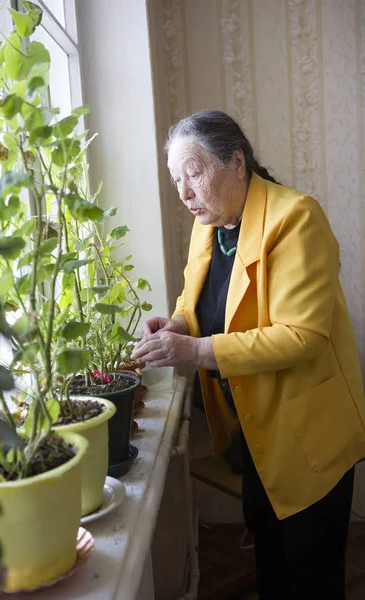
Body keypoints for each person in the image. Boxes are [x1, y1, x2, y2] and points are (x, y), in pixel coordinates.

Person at [131, 109, 365, 599]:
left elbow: (303, 335)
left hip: (306, 434)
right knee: (272, 567)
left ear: (236, 162)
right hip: (254, 431)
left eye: (192, 173)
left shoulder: (296, 217)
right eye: (176, 179)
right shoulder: (210, 224)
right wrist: (177, 323)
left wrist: (194, 349)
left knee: (311, 577)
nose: (183, 194)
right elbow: (201, 301)